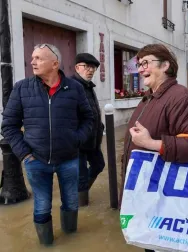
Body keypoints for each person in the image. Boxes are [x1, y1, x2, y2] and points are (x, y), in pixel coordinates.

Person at [1, 44, 94, 245]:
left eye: (39, 58)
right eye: (32, 57)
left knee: (71, 202)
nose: (32, 62)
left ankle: (72, 241)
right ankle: (47, 245)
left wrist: (76, 140)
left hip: (69, 159)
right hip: (36, 160)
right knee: (42, 206)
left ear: (54, 64)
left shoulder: (75, 88)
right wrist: (24, 154)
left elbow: (89, 118)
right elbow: (8, 126)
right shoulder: (21, 88)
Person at [120, 44, 188, 252]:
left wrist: (150, 143)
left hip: (164, 200)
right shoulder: (149, 97)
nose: (140, 69)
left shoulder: (181, 97)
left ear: (166, 65)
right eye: (139, 64)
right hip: (147, 194)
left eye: (146, 63)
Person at [71, 53, 105, 206]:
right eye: (87, 67)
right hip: (78, 143)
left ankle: (78, 193)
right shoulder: (71, 87)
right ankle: (79, 203)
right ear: (77, 67)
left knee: (99, 165)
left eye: (93, 67)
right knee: (81, 177)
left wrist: (100, 128)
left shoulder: (89, 86)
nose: (90, 70)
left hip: (93, 140)